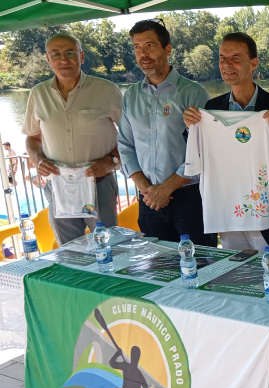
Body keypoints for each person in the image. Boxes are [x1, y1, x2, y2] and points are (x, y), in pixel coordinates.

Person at [183, 32, 269, 256]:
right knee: (236, 274)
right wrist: (191, 129)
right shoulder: (211, 108)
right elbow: (198, 154)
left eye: (235, 58)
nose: (227, 64)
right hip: (230, 213)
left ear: (253, 63)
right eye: (222, 58)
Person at [118, 19, 215, 247]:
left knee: (200, 263)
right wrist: (148, 190)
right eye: (137, 47)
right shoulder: (131, 95)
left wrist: (166, 188)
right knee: (158, 265)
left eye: (150, 45)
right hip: (148, 200)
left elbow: (203, 149)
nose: (143, 54)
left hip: (190, 199)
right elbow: (125, 145)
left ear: (168, 49)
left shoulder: (194, 93)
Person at [22, 33, 123, 245]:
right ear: (48, 59)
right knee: (68, 252)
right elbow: (32, 138)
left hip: (99, 184)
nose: (63, 59)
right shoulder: (38, 94)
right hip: (58, 187)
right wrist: (38, 160)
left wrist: (111, 161)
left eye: (70, 53)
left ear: (82, 57)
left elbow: (131, 137)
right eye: (56, 54)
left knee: (108, 248)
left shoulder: (107, 90)